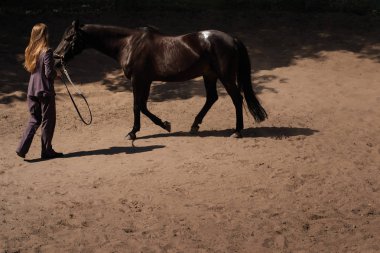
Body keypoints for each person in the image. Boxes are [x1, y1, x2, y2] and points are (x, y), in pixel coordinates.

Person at [16, 23, 63, 160]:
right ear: (43, 35)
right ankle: (46, 151)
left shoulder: (29, 51)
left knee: (34, 120)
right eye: (46, 33)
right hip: (45, 91)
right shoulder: (47, 51)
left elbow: (34, 70)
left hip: (32, 90)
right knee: (48, 121)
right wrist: (57, 74)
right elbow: (49, 73)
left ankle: (21, 148)